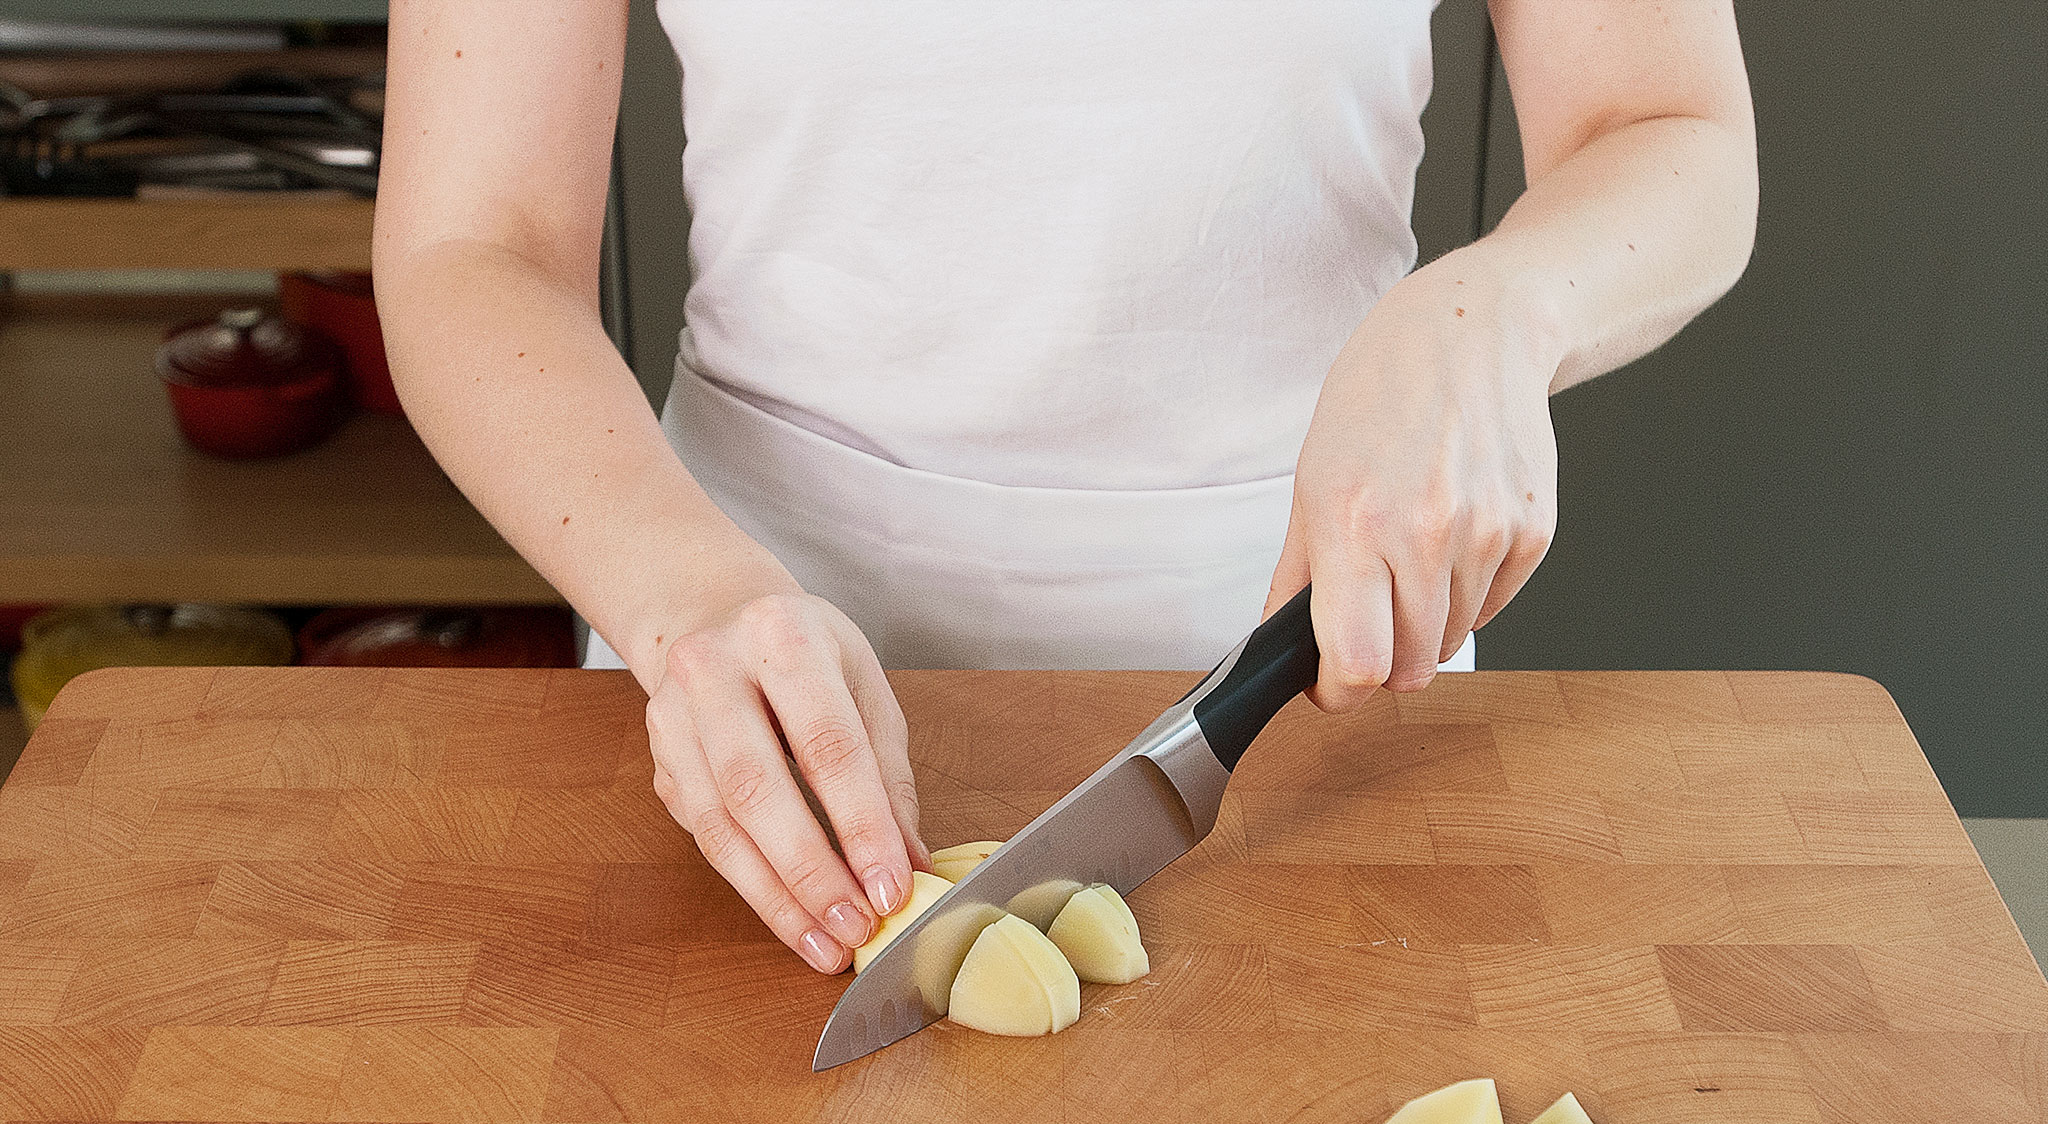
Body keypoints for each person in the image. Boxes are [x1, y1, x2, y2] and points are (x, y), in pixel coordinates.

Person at [375, 0, 1757, 975]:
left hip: (1322, 668)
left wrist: (1499, 312)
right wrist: (685, 599)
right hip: (746, 668)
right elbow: (470, 239)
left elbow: (1669, 121)